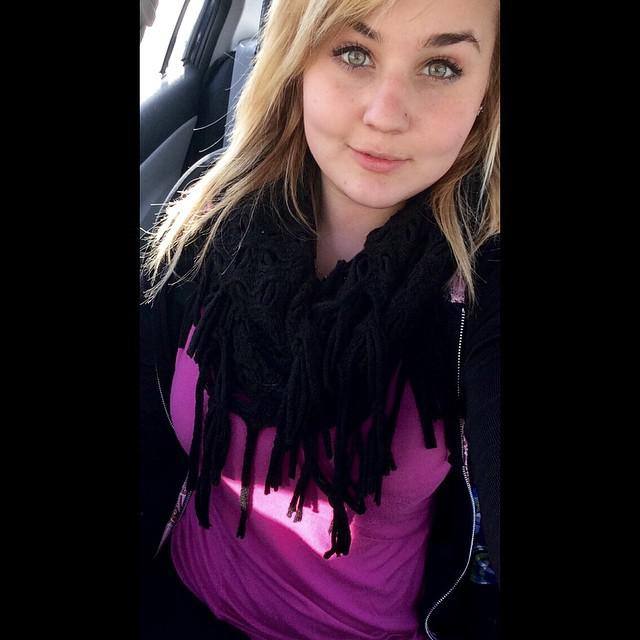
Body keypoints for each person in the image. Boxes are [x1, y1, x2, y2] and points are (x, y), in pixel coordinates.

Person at [139, 0, 500, 638]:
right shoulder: (209, 226)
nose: (384, 114)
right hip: (178, 598)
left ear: (486, 93)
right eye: (353, 53)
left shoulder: (480, 283)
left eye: (441, 67)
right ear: (297, 62)